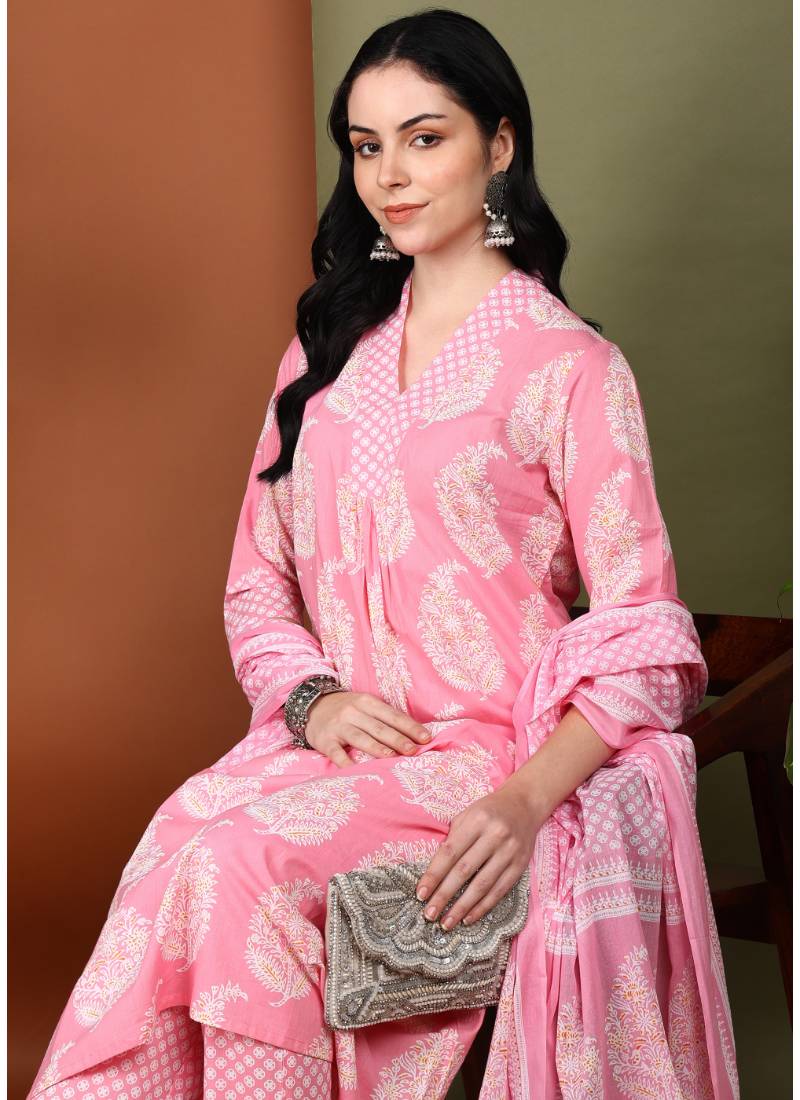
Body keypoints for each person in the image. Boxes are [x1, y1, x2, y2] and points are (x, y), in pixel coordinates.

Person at [27, 9, 740, 1100]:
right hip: (332, 750)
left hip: (488, 760)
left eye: (424, 138)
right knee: (184, 840)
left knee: (238, 867)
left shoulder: (571, 368)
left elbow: (645, 639)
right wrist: (312, 702)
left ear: (499, 145)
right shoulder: (322, 358)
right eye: (366, 146)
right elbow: (256, 586)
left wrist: (522, 804)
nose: (388, 176)